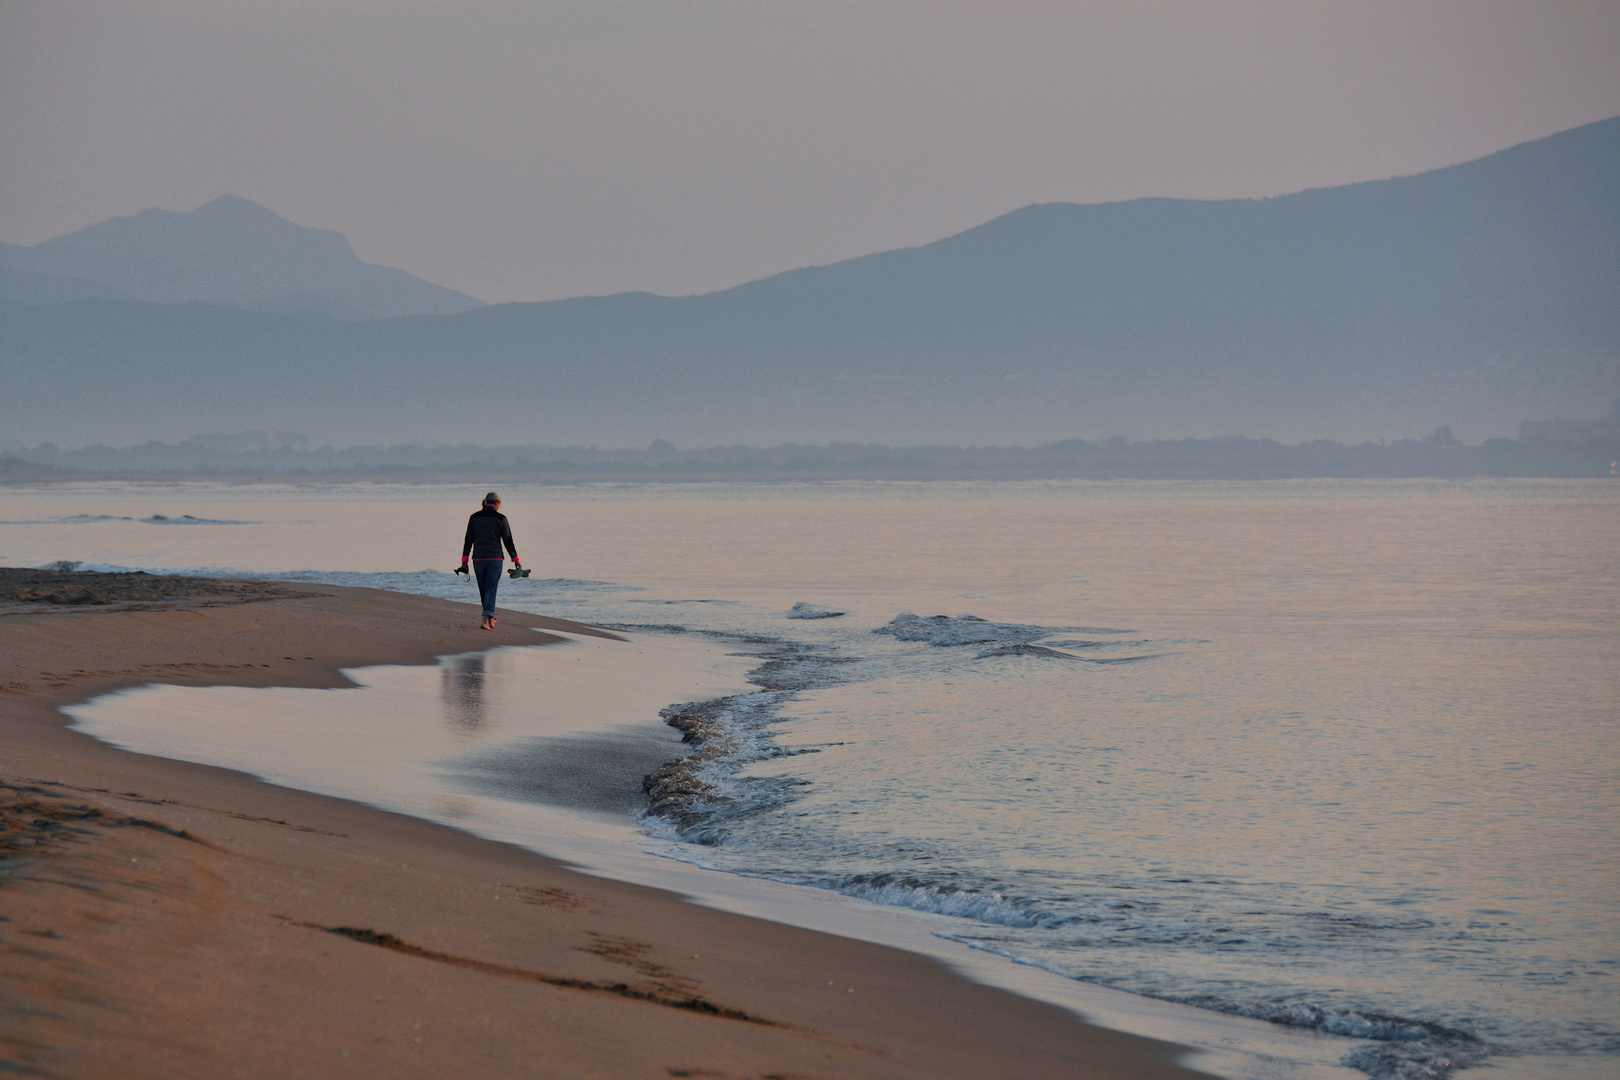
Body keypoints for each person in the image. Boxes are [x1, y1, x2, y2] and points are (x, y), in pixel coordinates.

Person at [459, 492, 520, 631]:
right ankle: (486, 620)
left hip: (478, 559)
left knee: (484, 588)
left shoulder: (474, 518)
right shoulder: (501, 518)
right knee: (491, 588)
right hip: (495, 559)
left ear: (486, 502)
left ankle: (489, 618)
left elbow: (468, 540)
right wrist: (515, 559)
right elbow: (508, 540)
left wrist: (464, 560)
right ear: (497, 504)